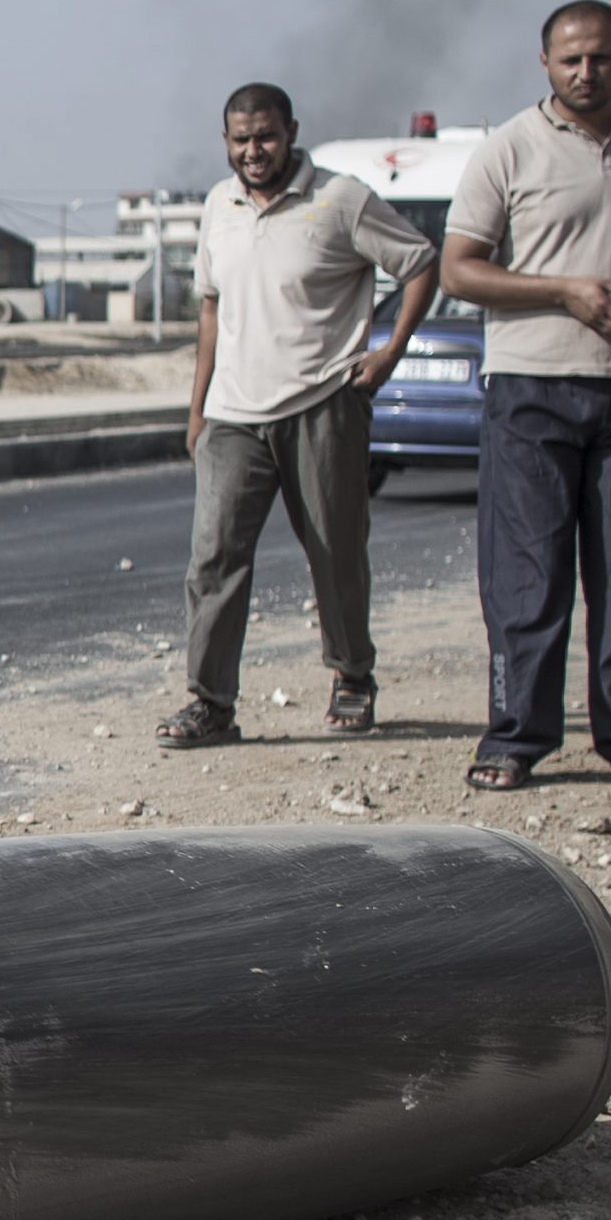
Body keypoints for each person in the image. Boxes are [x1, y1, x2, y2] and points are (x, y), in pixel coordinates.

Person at [444, 0, 611, 797]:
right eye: (570, 60)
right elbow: (461, 269)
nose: (585, 72)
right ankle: (516, 735)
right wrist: (564, 292)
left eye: (600, 57)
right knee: (527, 574)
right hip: (532, 385)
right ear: (545, 64)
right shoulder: (507, 151)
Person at [161, 81, 441, 746]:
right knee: (213, 558)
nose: (254, 151)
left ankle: (351, 676)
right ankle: (210, 703)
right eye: (240, 139)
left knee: (335, 551)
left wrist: (389, 352)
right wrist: (196, 409)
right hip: (232, 415)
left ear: (290, 132)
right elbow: (211, 308)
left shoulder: (340, 198)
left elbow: (422, 263)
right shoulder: (217, 206)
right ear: (225, 142)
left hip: (322, 404)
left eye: (265, 137)